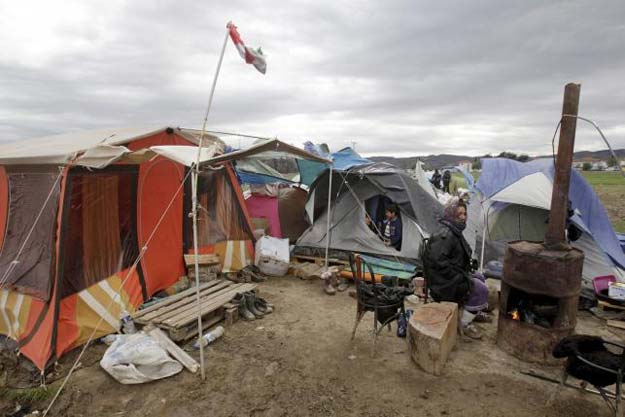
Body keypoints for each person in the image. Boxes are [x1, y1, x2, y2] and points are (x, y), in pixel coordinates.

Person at [421, 197, 489, 339]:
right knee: (481, 289)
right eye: (460, 215)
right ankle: (464, 324)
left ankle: (471, 311)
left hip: (451, 277)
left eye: (465, 214)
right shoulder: (445, 235)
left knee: (480, 277)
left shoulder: (454, 231)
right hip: (443, 284)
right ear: (451, 215)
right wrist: (460, 276)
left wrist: (465, 271)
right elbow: (436, 264)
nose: (463, 218)